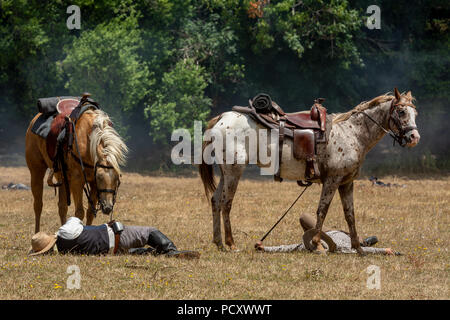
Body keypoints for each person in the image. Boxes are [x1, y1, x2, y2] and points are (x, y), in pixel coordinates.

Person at [28, 216, 200, 259]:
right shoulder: (64, 232)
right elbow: (75, 219)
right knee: (149, 232)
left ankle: (156, 254)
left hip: (113, 251)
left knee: (138, 252)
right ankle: (171, 251)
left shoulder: (64, 252)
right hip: (116, 236)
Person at [254, 213, 400, 255]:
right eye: (317, 244)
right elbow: (361, 251)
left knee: (304, 217)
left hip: (326, 231)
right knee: (360, 243)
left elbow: (287, 247)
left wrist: (265, 248)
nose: (315, 243)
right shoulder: (339, 248)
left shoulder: (307, 245)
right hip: (348, 237)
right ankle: (364, 240)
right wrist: (384, 250)